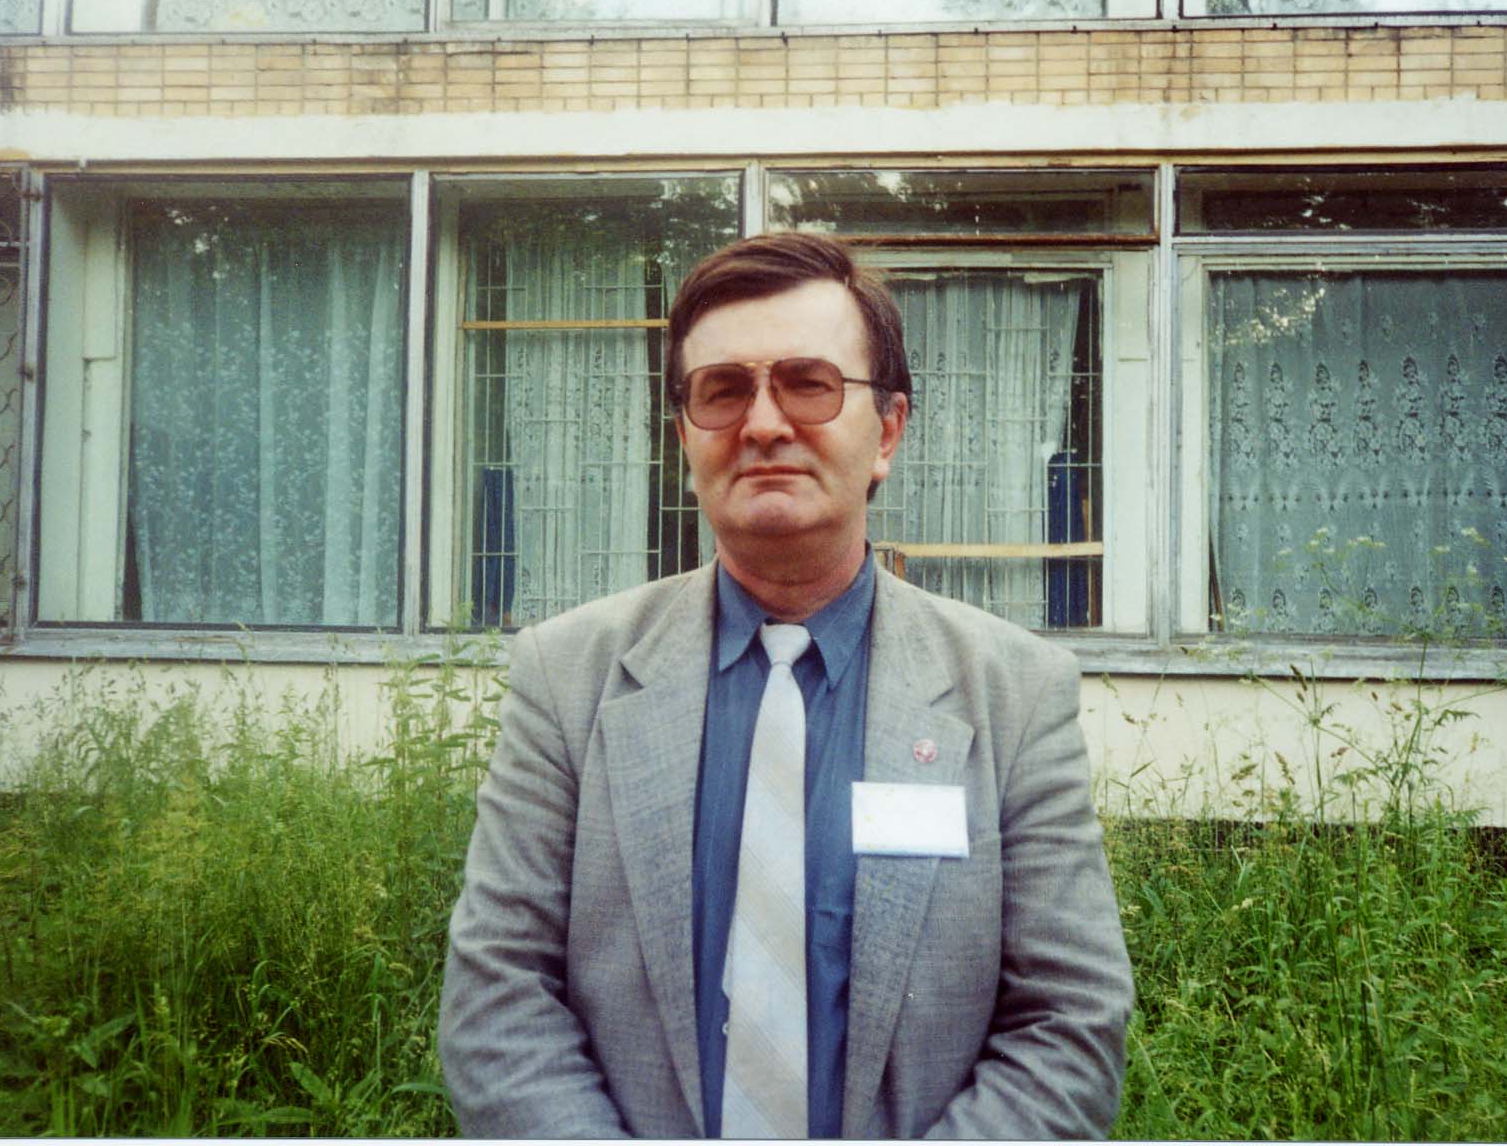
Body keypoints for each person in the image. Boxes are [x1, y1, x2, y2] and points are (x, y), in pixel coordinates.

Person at [438, 231, 1133, 1139]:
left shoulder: (1014, 694)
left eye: (809, 383)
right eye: (723, 390)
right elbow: (499, 996)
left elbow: (1069, 1022)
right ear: (685, 437)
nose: (763, 423)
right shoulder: (567, 679)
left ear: (887, 431)